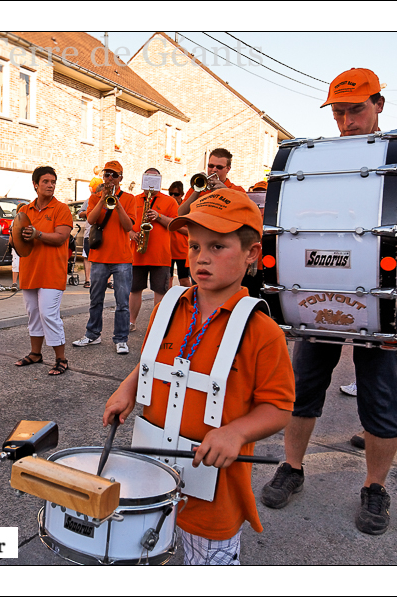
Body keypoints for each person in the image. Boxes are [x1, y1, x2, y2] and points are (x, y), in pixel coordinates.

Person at [260, 68, 397, 536]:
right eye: (339, 112)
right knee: (303, 388)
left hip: (380, 301)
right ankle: (292, 467)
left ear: (379, 104)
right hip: (319, 293)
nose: (347, 121)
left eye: (356, 109)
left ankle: (375, 487)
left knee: (381, 398)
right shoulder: (319, 157)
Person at [103, 188, 294, 565]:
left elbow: (279, 407)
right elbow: (152, 362)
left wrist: (235, 433)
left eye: (217, 247)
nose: (201, 257)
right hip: (152, 476)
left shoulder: (263, 331)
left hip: (215, 495)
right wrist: (128, 388)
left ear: (252, 253)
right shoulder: (167, 308)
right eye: (194, 246)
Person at [13, 166, 74, 375]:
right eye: (46, 181)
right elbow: (17, 241)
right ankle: (35, 354)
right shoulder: (25, 210)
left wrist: (37, 234)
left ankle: (61, 359)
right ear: (35, 184)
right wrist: (15, 237)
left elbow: (61, 238)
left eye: (53, 182)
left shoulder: (61, 209)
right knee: (33, 314)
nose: (50, 185)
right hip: (30, 270)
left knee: (48, 314)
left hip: (52, 271)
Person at [72, 160, 137, 354]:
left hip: (122, 258)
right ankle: (93, 335)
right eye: (107, 174)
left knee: (122, 302)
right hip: (99, 257)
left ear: (120, 178)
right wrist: (102, 199)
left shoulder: (129, 198)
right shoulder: (94, 197)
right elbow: (91, 220)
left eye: (114, 175)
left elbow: (129, 226)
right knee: (95, 299)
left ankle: (121, 339)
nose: (110, 178)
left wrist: (117, 204)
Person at [128, 168, 179, 331]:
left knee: (160, 291)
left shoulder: (170, 201)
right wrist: (132, 234)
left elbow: (175, 224)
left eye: (154, 179)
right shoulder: (134, 199)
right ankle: (131, 322)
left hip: (160, 255)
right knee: (134, 290)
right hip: (137, 253)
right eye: (148, 179)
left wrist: (159, 216)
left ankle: (158, 325)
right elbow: (126, 224)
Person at [178, 148, 247, 216]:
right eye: (211, 166)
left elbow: (243, 215)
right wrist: (197, 191)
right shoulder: (197, 187)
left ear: (228, 169)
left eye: (219, 167)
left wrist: (226, 192)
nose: (214, 170)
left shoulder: (238, 190)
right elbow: (180, 213)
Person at [167, 181, 191, 288]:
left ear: (182, 194)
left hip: (182, 250)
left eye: (176, 194)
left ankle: (187, 298)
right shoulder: (167, 206)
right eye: (171, 194)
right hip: (168, 250)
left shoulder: (186, 208)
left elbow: (190, 231)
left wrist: (174, 225)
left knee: (184, 280)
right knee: (168, 280)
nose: (173, 196)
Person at [77, 197, 92, 287]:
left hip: (106, 233)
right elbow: (80, 213)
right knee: (87, 256)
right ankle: (87, 280)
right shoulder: (89, 200)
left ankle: (108, 281)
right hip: (90, 233)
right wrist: (91, 211)